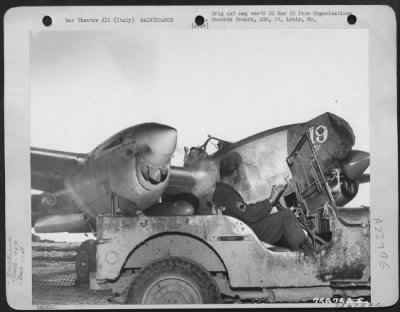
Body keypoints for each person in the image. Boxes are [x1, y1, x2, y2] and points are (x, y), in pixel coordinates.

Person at [212, 151, 312, 253]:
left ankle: (293, 256)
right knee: (286, 216)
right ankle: (309, 259)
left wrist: (270, 203)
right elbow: (249, 214)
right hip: (245, 234)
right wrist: (270, 201)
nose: (242, 175)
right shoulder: (226, 193)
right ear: (235, 173)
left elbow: (244, 211)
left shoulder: (220, 191)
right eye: (240, 170)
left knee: (280, 216)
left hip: (240, 231)